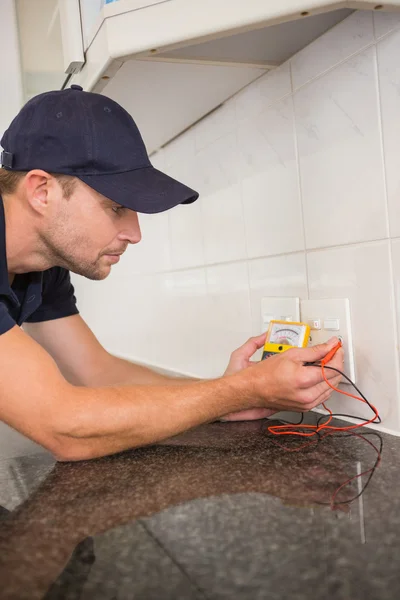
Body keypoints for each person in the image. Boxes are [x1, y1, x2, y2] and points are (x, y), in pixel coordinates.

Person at [0, 85, 344, 461]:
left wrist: (226, 395)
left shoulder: (42, 265)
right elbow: (65, 425)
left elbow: (95, 372)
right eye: (115, 207)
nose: (135, 233)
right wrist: (244, 390)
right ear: (41, 191)